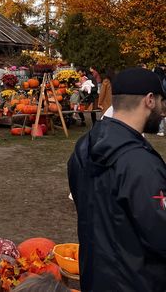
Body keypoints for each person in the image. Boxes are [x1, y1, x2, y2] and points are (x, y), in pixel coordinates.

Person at [68, 67, 166, 291]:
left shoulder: (84, 146)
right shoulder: (141, 164)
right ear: (150, 100)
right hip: (137, 282)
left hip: (96, 278)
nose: (163, 111)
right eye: (162, 101)